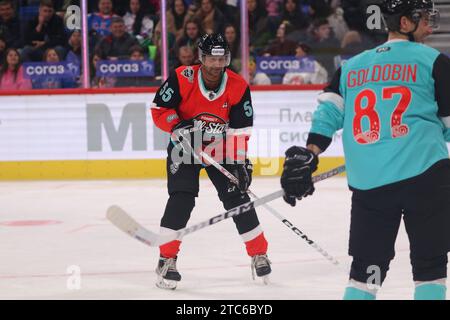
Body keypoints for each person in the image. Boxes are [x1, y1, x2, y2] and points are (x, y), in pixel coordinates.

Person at [280, 0, 450, 300]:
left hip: (370, 181)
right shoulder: (433, 61)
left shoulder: (351, 67)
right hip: (426, 177)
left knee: (366, 273)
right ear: (405, 23)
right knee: (430, 268)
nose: (429, 25)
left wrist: (309, 154)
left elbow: (328, 114)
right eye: (424, 19)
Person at [151, 33, 271, 290]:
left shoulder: (238, 86)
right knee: (182, 198)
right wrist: (177, 126)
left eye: (222, 59)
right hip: (184, 146)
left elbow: (240, 130)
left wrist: (240, 163)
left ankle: (259, 253)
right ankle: (166, 260)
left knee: (238, 198)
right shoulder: (183, 77)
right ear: (201, 57)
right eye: (211, 59)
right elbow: (159, 108)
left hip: (220, 147)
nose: (217, 65)